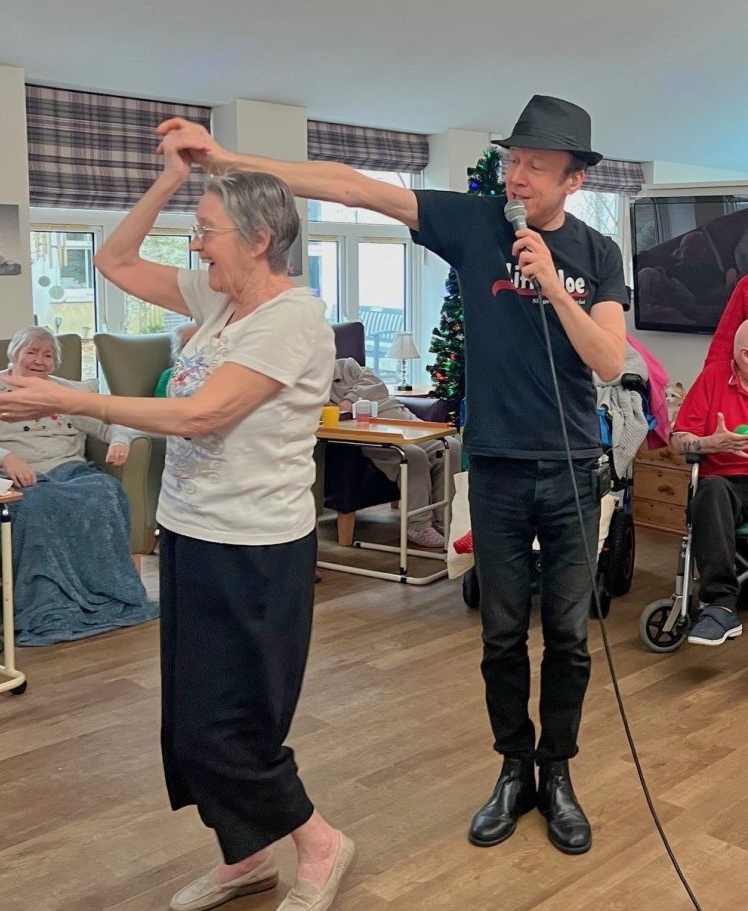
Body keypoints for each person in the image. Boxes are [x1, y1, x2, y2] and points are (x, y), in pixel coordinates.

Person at [140, 93, 627, 856]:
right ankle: (511, 767)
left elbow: (608, 359)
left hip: (572, 474)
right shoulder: (472, 225)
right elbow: (352, 185)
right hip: (496, 468)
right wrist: (227, 159)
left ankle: (556, 773)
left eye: (536, 165)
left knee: (566, 638)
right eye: (514, 160)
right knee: (502, 636)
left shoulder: (598, 254)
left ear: (573, 179)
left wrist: (551, 285)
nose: (518, 175)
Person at [0, 142, 354, 911]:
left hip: (257, 545)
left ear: (256, 239)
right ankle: (246, 853)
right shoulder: (219, 299)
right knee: (187, 720)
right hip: (189, 529)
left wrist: (73, 400)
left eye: (206, 228)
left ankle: (319, 841)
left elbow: (201, 413)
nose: (194, 242)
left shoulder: (293, 319)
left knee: (233, 720)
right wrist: (175, 177)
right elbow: (116, 260)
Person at [0, 326, 156, 646]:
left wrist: (118, 440)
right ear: (13, 354)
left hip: (70, 471)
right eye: (31, 352)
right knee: (33, 507)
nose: (39, 360)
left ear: (55, 363)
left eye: (47, 355)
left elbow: (111, 420)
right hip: (15, 478)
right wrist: (6, 457)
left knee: (104, 493)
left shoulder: (67, 392)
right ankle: (47, 607)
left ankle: (109, 596)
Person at [669, 318, 748, 647]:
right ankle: (720, 605)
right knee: (711, 489)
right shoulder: (714, 378)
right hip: (727, 486)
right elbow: (677, 440)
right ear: (745, 355)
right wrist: (710, 444)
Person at [329, 356, 461, 548]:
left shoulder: (347, 365)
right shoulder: (307, 385)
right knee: (413, 455)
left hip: (400, 417)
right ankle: (418, 526)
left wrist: (348, 401)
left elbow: (376, 384)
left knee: (451, 445)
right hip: (369, 432)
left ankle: (445, 520)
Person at [154, 320, 196, 397]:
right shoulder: (169, 376)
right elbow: (159, 406)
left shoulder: (220, 372)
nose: (197, 346)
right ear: (179, 350)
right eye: (189, 343)